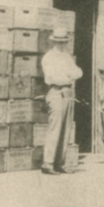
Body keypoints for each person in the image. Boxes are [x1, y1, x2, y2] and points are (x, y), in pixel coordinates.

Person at [40, 27, 83, 175]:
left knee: (66, 129)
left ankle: (59, 162)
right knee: (55, 128)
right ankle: (48, 163)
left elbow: (79, 72)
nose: (62, 44)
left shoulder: (67, 57)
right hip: (56, 92)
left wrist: (69, 76)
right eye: (59, 42)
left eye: (64, 42)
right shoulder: (48, 57)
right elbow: (52, 78)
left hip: (68, 92)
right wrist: (68, 76)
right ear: (54, 42)